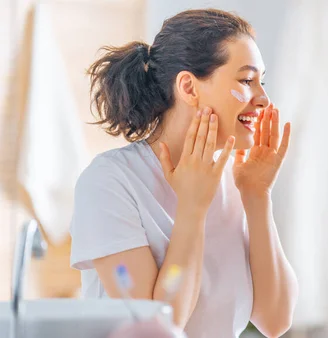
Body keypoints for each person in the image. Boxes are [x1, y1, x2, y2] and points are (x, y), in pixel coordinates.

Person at [69, 9, 298, 338]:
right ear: (189, 88)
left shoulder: (237, 180)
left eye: (262, 81)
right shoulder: (109, 183)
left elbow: (275, 321)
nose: (263, 98)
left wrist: (257, 195)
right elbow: (158, 327)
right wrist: (192, 208)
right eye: (247, 80)